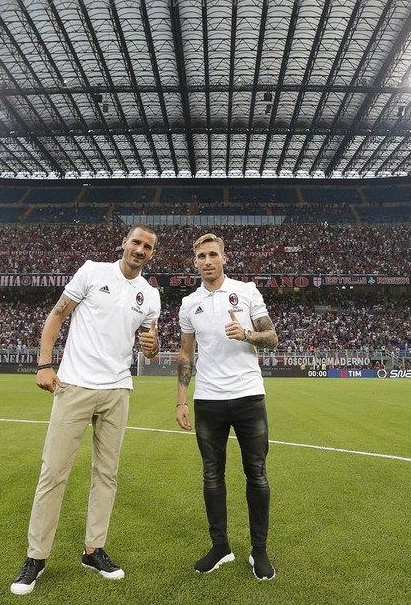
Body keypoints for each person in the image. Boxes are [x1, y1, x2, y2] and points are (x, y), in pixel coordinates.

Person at [10, 224, 161, 596]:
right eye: (136, 242)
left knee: (106, 475)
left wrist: (153, 345)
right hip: (75, 385)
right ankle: (36, 558)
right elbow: (58, 315)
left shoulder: (150, 295)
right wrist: (45, 364)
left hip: (118, 390)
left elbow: (148, 348)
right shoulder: (92, 271)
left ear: (152, 254)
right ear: (125, 243)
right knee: (54, 473)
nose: (140, 250)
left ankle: (93, 550)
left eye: (148, 247)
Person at [174, 233, 279, 581]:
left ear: (224, 257)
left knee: (257, 475)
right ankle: (221, 547)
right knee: (211, 475)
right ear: (195, 262)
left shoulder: (247, 291)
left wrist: (247, 334)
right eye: (201, 256)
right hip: (208, 399)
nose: (207, 261)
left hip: (249, 396)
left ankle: (259, 552)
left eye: (213, 254)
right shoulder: (189, 303)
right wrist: (181, 400)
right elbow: (186, 355)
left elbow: (272, 337)